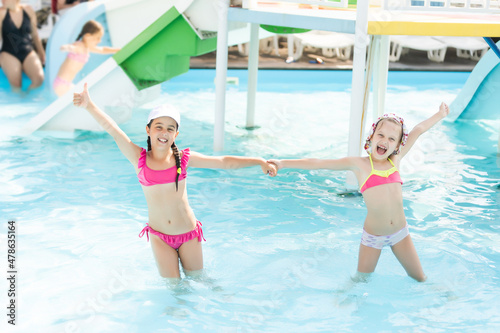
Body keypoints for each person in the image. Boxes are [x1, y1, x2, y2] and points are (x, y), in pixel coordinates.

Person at [73, 83, 277, 280]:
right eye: (159, 127)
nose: (164, 133)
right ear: (148, 130)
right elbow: (113, 129)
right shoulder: (139, 159)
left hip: (188, 234)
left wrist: (258, 161)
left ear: (176, 134)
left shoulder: (184, 158)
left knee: (199, 280)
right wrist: (89, 105)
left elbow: (223, 162)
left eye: (170, 129)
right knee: (174, 289)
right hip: (160, 237)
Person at [269, 103, 450, 282]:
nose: (384, 141)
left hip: (400, 233)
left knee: (419, 278)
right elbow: (318, 162)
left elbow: (418, 129)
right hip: (373, 237)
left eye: (391, 139)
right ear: (371, 137)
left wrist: (440, 114)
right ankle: (344, 299)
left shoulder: (396, 159)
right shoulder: (360, 165)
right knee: (361, 280)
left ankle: (440, 296)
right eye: (380, 135)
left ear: (397, 146)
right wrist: (283, 163)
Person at [53, 20, 119, 96]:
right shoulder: (80, 46)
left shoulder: (87, 48)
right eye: (97, 38)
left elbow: (102, 50)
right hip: (61, 85)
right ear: (87, 36)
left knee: (85, 97)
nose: (99, 41)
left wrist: (117, 50)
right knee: (83, 100)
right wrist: (67, 47)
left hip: (66, 84)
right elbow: (72, 47)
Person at [0, 0, 45, 91]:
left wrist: (42, 54)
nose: (2, 1)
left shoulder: (28, 10)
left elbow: (35, 35)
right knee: (16, 85)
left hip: (27, 51)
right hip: (8, 53)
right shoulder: (1, 13)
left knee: (39, 79)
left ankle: (27, 99)